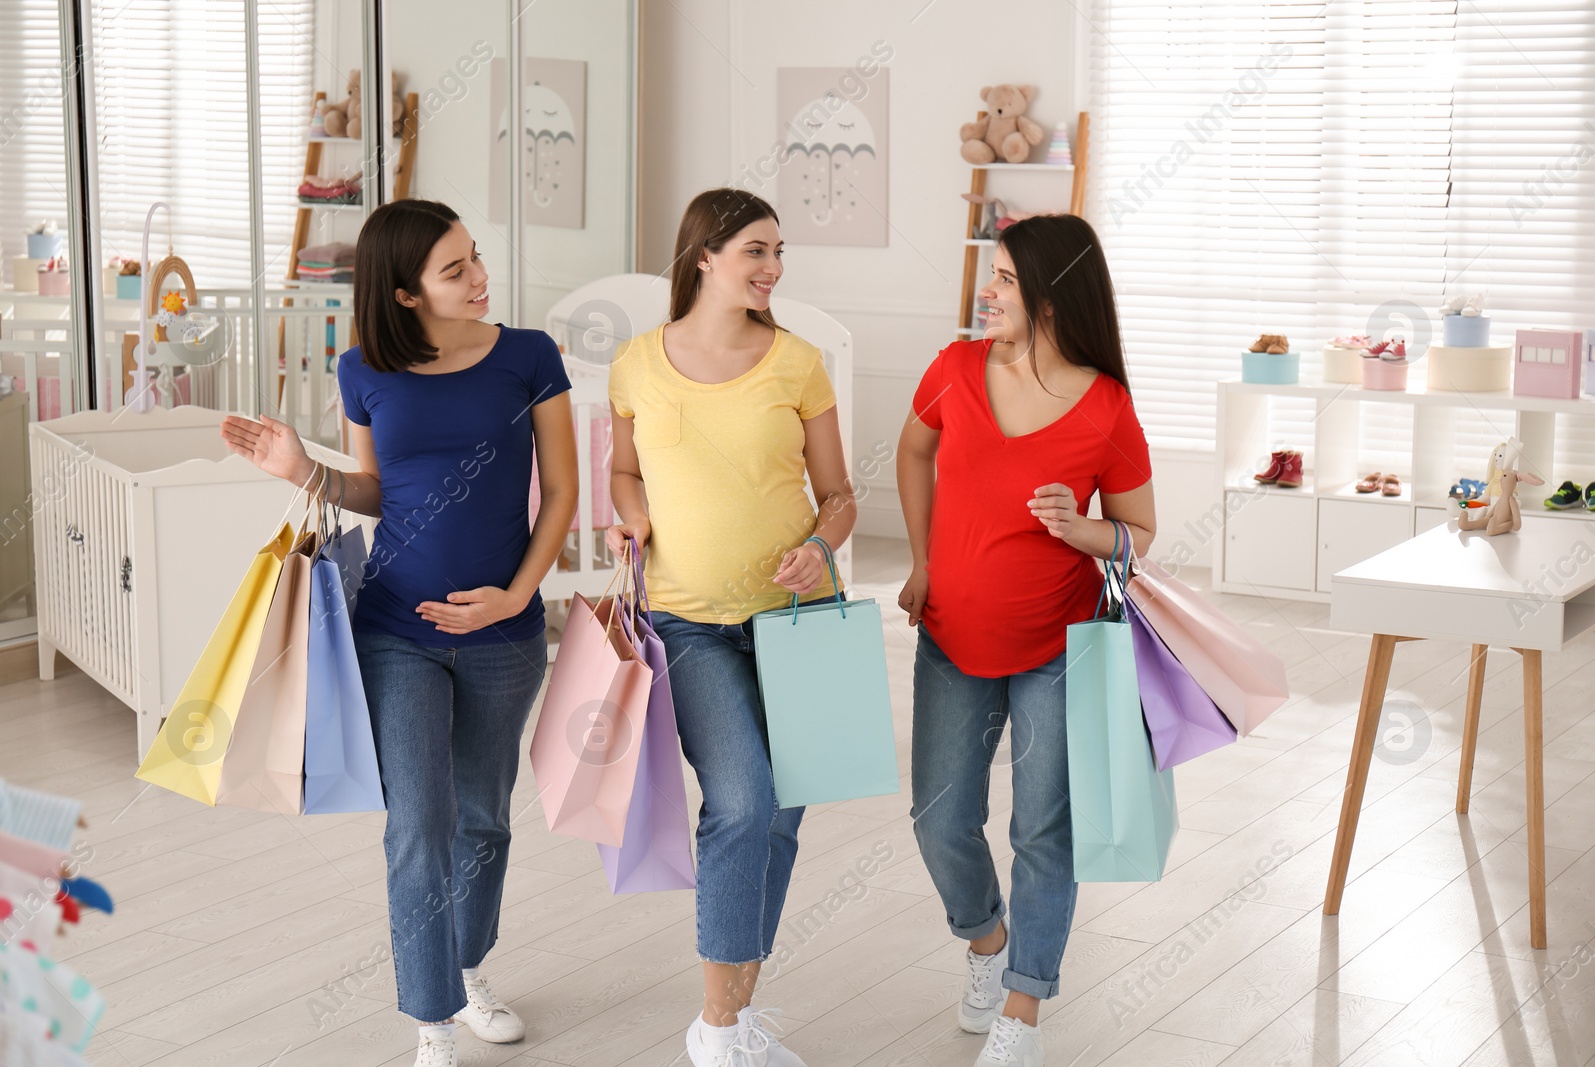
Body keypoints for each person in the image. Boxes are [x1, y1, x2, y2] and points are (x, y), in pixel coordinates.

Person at [221, 199, 578, 1067]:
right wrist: (302, 470)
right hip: (395, 627)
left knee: (484, 820)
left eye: (475, 258)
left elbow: (564, 493)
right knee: (419, 823)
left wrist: (511, 597)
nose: (478, 277)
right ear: (406, 290)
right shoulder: (363, 370)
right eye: (454, 269)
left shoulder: (530, 357)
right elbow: (377, 490)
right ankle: (432, 1016)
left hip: (505, 632)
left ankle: (463, 964)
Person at [605, 187, 856, 1067]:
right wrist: (628, 518)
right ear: (703, 254)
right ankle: (715, 1032)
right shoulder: (637, 361)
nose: (773, 267)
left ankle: (738, 1010)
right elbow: (623, 473)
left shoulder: (798, 361)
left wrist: (822, 549)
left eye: (778, 251)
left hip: (795, 619)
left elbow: (839, 497)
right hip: (690, 622)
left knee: (782, 816)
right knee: (743, 800)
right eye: (755, 249)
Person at [897, 214, 1155, 1067]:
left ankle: (1022, 1009)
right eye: (993, 273)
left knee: (1043, 831)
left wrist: (1081, 530)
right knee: (940, 819)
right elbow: (913, 449)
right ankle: (985, 939)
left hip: (1060, 644)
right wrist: (924, 558)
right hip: (952, 635)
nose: (989, 290)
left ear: (1052, 291)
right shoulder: (955, 368)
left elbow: (1138, 532)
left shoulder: (1107, 406)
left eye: (1005, 277)